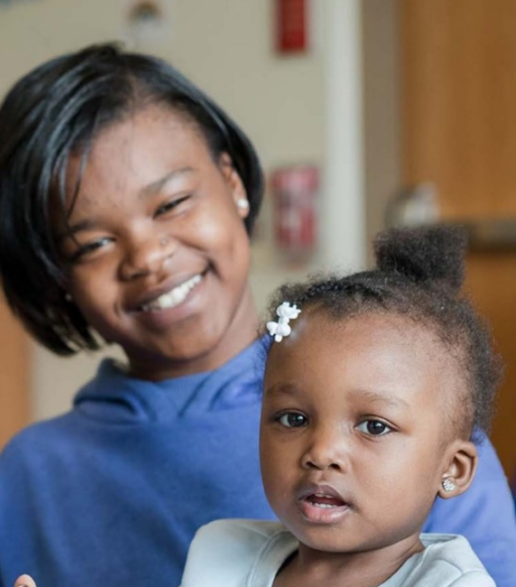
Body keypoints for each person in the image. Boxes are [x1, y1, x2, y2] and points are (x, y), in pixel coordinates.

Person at [0, 43, 516, 587]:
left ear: (232, 184)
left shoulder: (415, 405)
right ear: (55, 276)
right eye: (93, 244)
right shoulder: (25, 480)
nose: (148, 258)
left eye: (172, 203)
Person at [182, 226, 497, 586]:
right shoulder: (221, 555)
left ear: (452, 469)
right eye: (293, 418)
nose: (321, 452)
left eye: (373, 426)